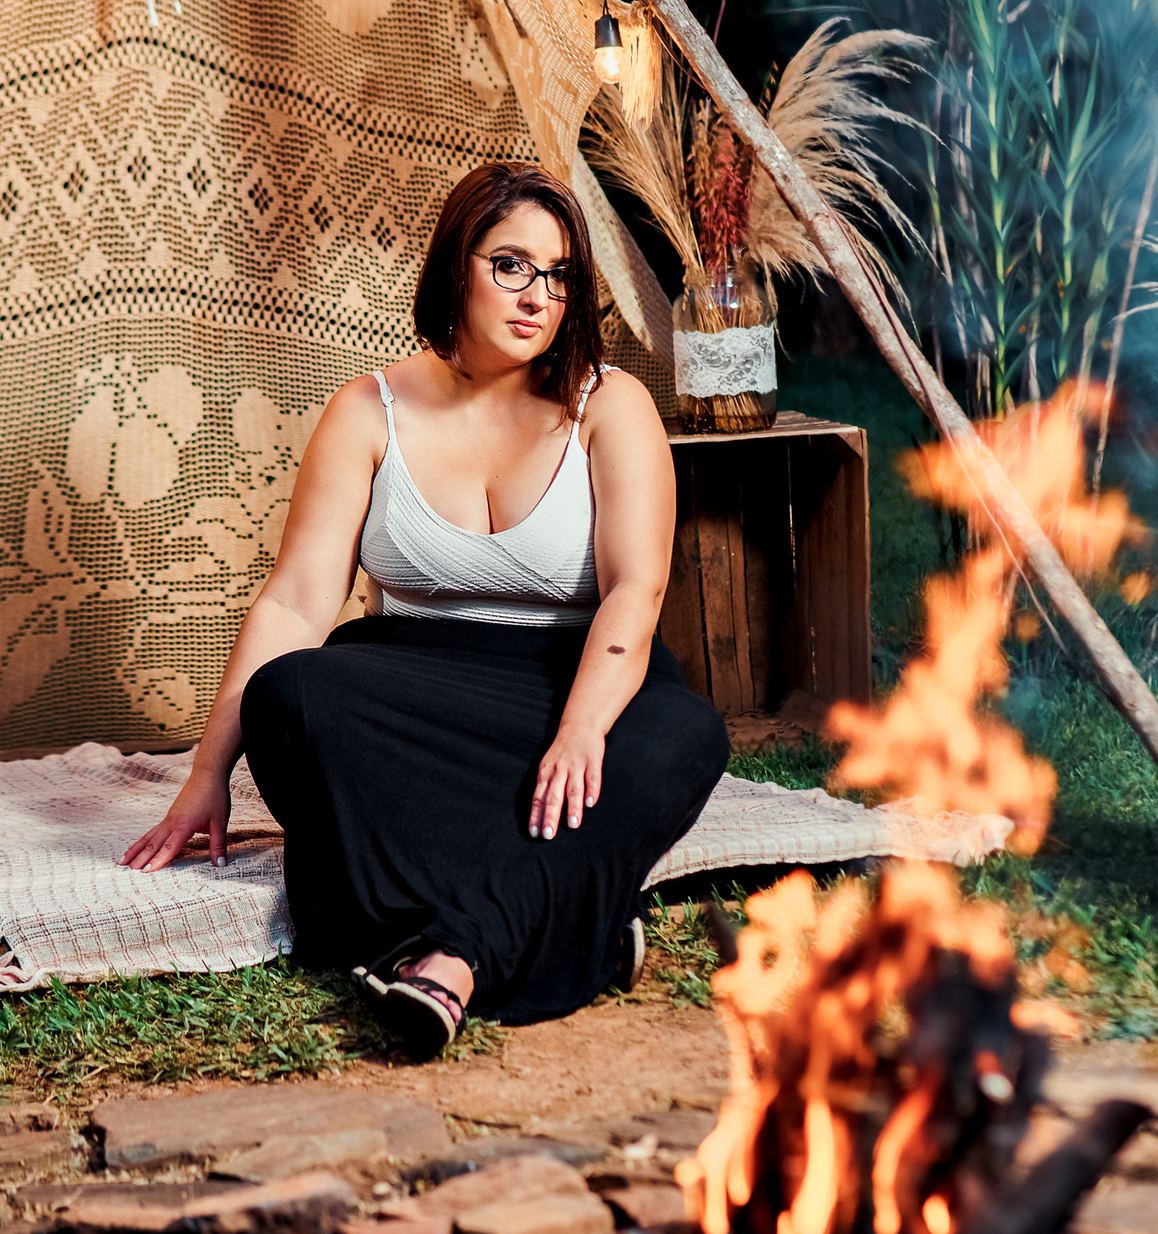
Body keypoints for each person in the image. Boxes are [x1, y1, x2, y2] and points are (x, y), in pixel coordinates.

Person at [124, 161, 730, 1060]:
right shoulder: (368, 411)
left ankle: (455, 954)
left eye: (560, 275)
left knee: (684, 733)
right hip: (410, 685)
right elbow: (294, 603)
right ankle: (580, 921)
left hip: (573, 681)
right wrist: (208, 772)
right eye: (511, 265)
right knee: (293, 696)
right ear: (457, 265)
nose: (538, 296)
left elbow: (634, 591)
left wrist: (578, 731)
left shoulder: (612, 405)